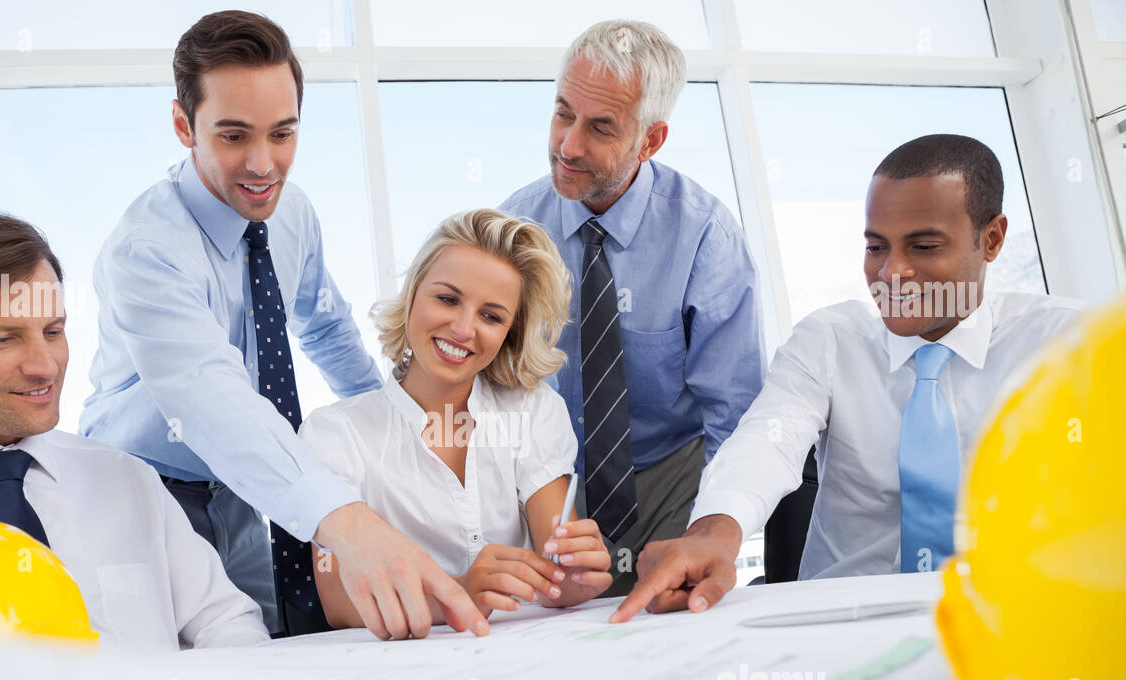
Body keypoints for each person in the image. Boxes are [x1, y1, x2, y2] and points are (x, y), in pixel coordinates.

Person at [80, 10, 485, 640]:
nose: (264, 164)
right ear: (184, 126)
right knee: (158, 675)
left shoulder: (291, 213)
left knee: (265, 653)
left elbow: (325, 329)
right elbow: (213, 400)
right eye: (234, 135)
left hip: (242, 488)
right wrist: (348, 519)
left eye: (283, 133)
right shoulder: (148, 250)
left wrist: (398, 427)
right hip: (139, 491)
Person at [612, 134, 1087, 623]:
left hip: (1010, 621)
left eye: (923, 246)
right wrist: (714, 532)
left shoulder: (1068, 342)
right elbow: (765, 442)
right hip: (842, 622)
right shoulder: (829, 340)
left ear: (991, 239)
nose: (892, 272)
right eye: (876, 246)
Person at [0, 205, 267, 651]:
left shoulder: (127, 479)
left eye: (53, 332)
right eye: (3, 338)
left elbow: (228, 624)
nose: (44, 366)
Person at [501, 19, 764, 596]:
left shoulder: (705, 235)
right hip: (550, 476)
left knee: (673, 626)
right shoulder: (514, 227)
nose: (569, 145)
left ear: (650, 140)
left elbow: (734, 414)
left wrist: (712, 532)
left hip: (669, 472)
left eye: (600, 127)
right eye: (563, 112)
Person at [300, 210, 613, 630]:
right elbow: (339, 604)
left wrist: (575, 578)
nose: (464, 329)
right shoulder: (335, 434)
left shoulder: (533, 411)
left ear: (509, 334)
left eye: (491, 316)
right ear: (412, 296)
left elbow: (559, 572)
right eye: (447, 299)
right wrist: (459, 592)